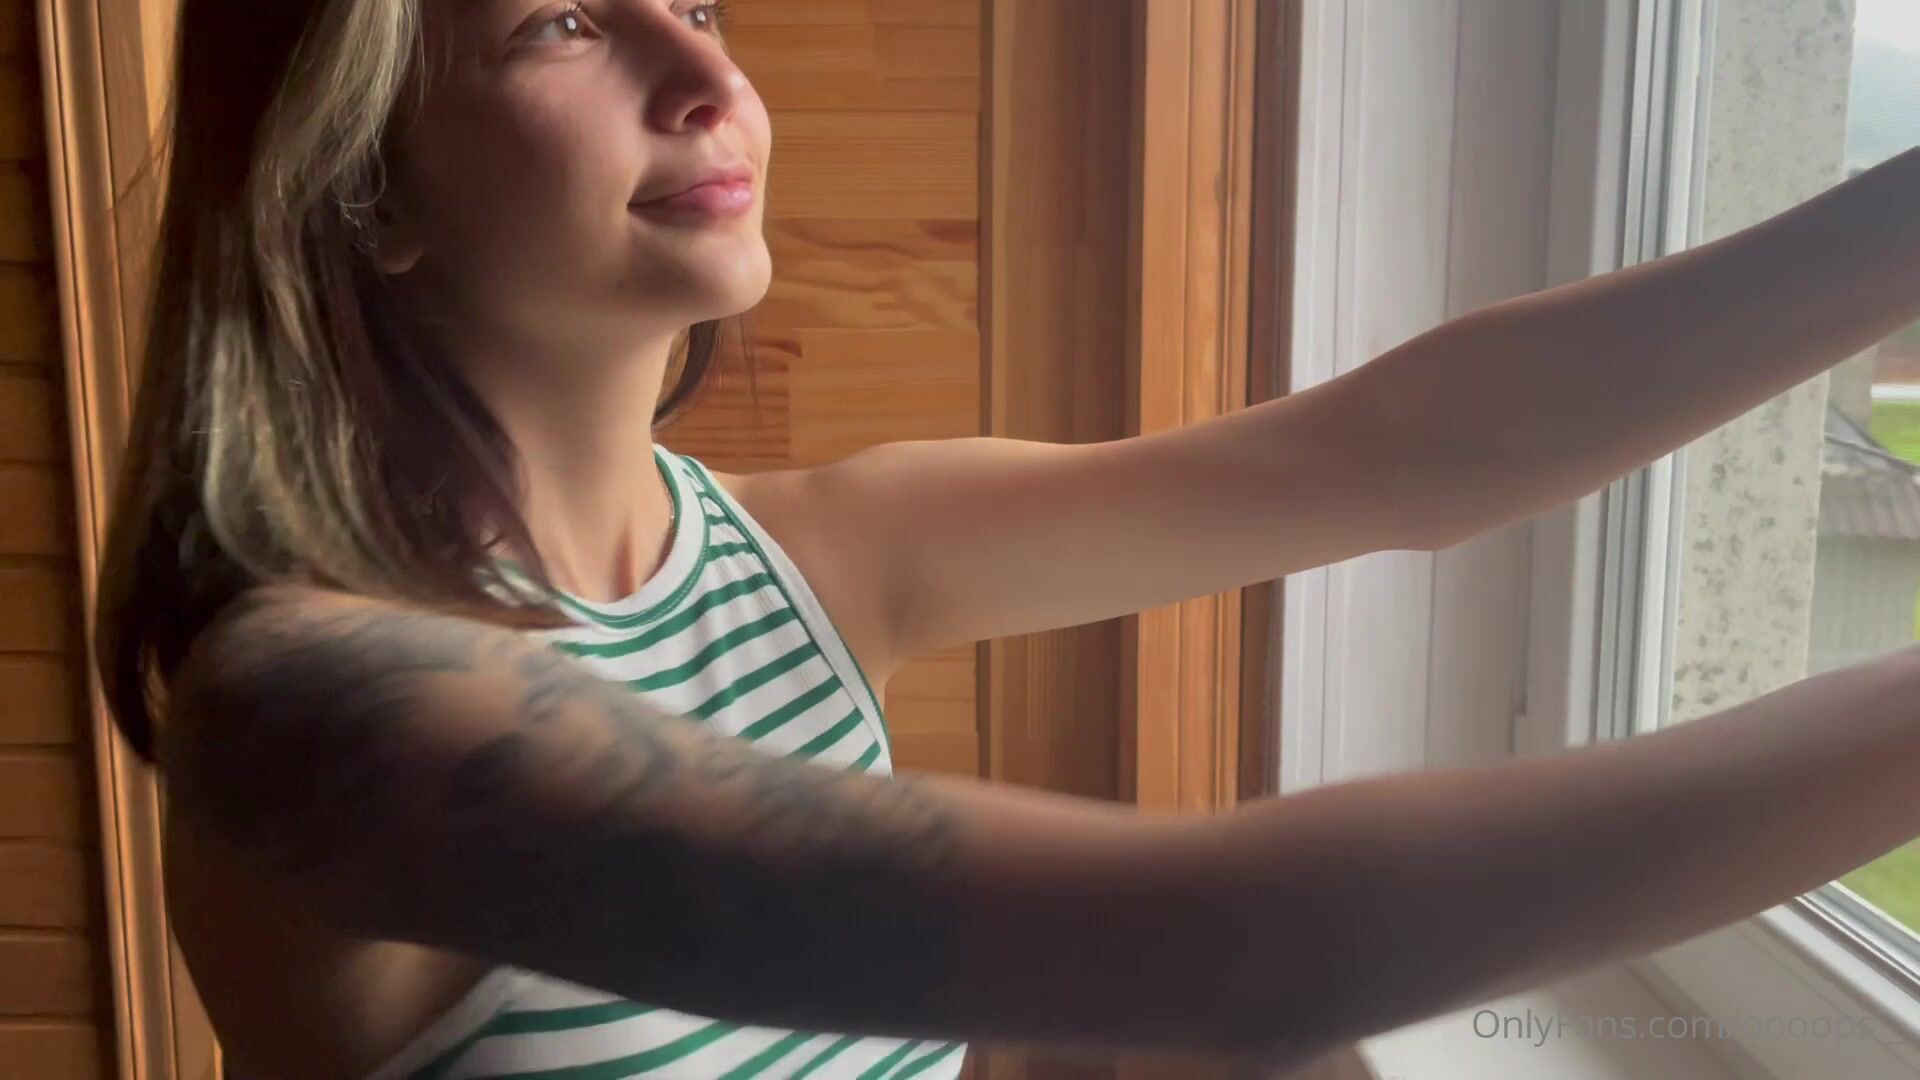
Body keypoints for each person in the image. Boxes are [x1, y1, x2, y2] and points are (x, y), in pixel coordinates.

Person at [93, 0, 1920, 1076]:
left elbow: (1413, 452)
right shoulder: (310, 710)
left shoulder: (814, 558)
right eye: (559, 20)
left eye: (698, 1)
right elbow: (1253, 951)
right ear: (361, 183)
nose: (699, 70)